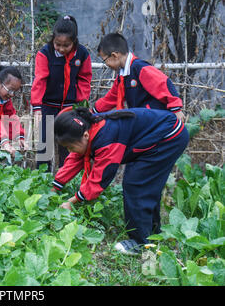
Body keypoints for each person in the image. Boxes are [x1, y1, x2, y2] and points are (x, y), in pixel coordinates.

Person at [52, 107, 189, 255]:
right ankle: (152, 233)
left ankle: (140, 243)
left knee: (137, 185)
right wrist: (55, 186)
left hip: (168, 137)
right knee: (145, 186)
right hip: (158, 135)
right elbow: (75, 159)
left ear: (85, 135)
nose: (70, 150)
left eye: (70, 147)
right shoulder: (88, 129)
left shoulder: (106, 139)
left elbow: (99, 179)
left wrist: (71, 202)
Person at [31, 15, 92, 170]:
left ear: (74, 42)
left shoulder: (82, 54)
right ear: (53, 40)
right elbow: (40, 79)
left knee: (68, 145)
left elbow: (84, 79)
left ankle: (64, 180)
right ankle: (41, 179)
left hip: (70, 108)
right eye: (58, 44)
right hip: (48, 106)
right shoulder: (45, 53)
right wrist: (37, 107)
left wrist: (81, 103)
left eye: (67, 45)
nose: (62, 49)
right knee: (45, 145)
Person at [93, 33, 185, 122]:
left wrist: (176, 109)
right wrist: (93, 112)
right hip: (142, 119)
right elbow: (111, 98)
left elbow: (163, 83)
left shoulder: (139, 68)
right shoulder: (122, 76)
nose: (106, 64)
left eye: (105, 60)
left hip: (156, 118)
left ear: (114, 56)